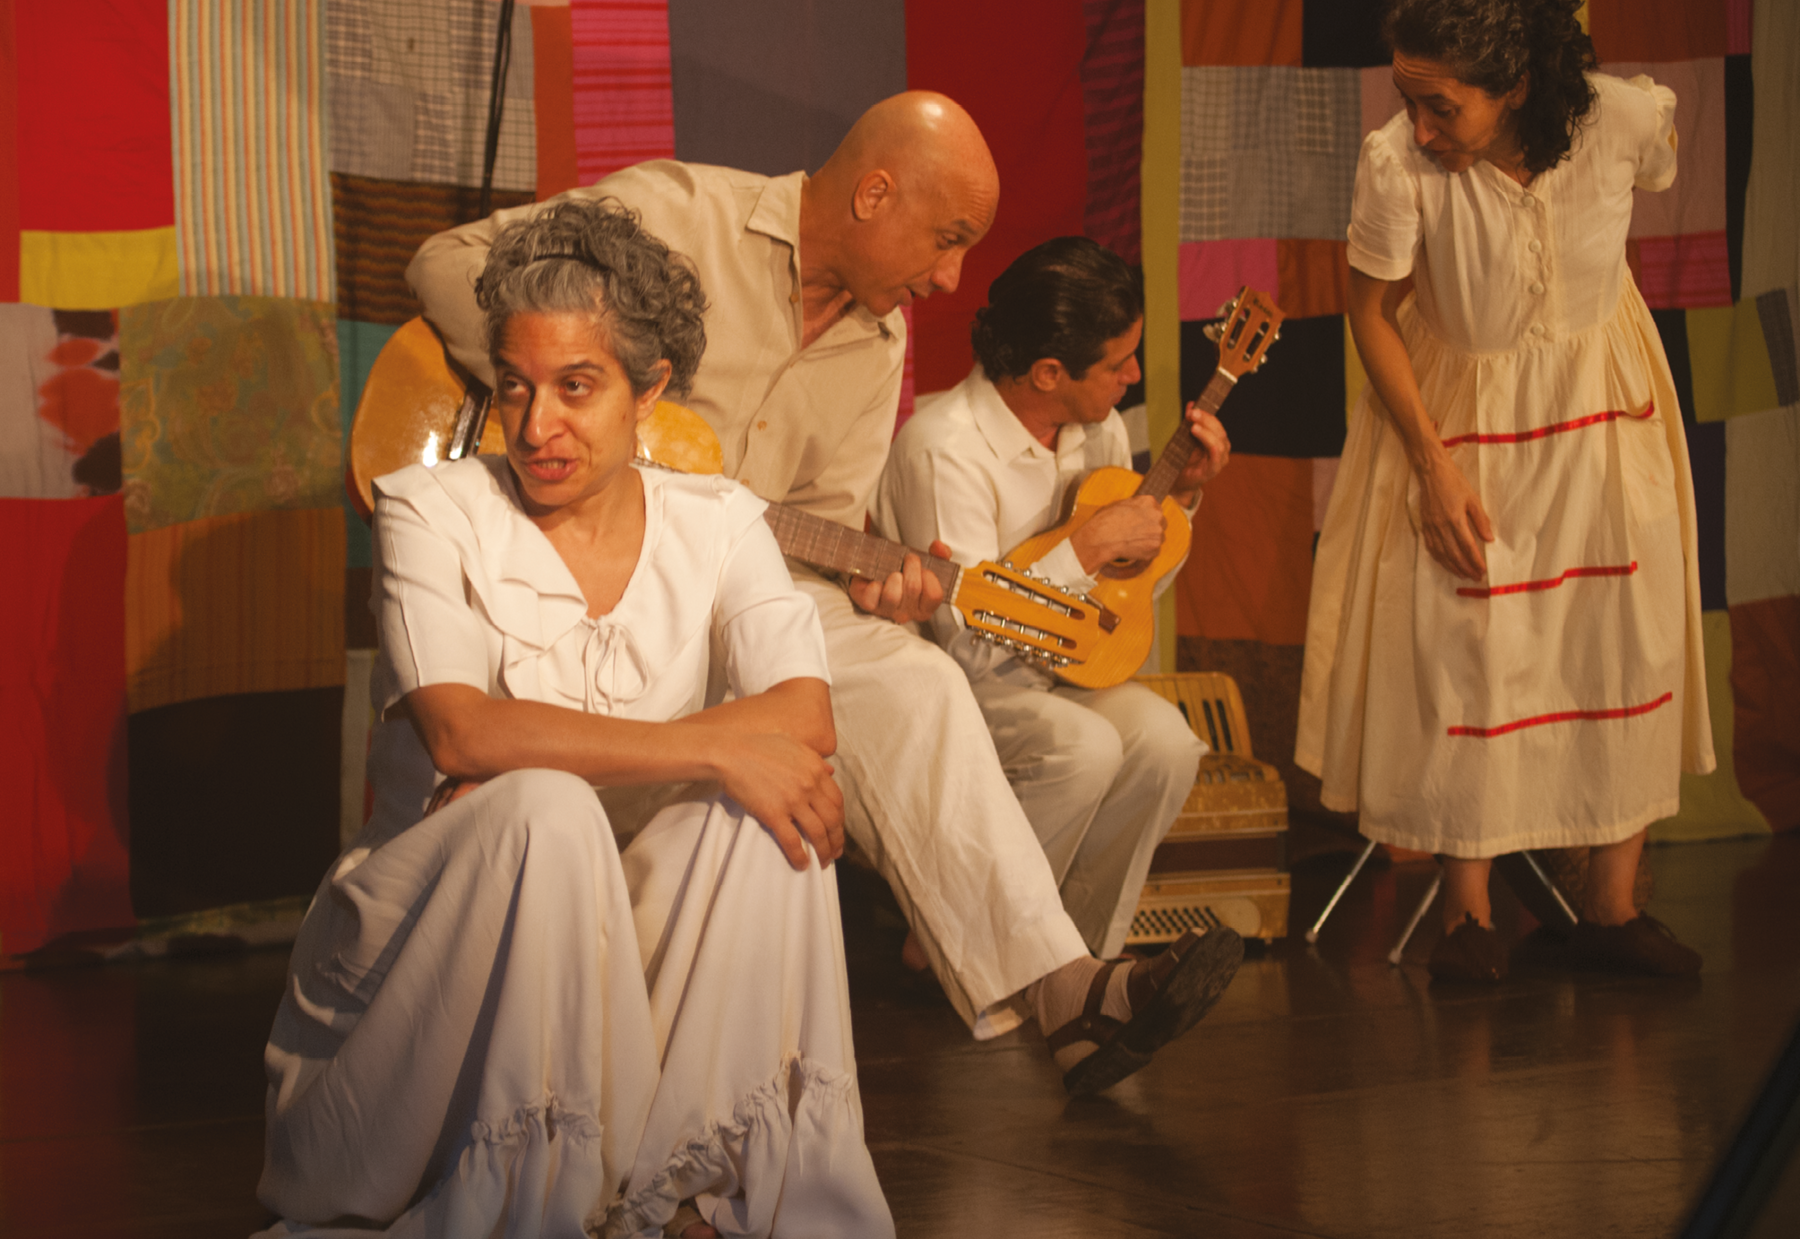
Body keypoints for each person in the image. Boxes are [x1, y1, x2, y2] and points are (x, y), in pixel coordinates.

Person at [408, 92, 1243, 1096]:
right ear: (874, 193)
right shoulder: (680, 214)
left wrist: (885, 580)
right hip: (580, 571)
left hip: (739, 598)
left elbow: (812, 529)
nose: (949, 279)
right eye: (945, 241)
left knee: (916, 677)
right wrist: (589, 410)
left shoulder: (879, 345)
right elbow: (443, 264)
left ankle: (1067, 993)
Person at [256, 200, 893, 1239]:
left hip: (626, 937)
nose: (536, 422)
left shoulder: (719, 518)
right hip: (424, 973)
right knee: (543, 816)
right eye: (515, 384)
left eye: (576, 387)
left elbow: (805, 715)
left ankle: (688, 1187)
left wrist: (589, 753)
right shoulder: (431, 510)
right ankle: (532, 1199)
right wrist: (710, 746)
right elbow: (464, 734)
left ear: (649, 391)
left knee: (767, 816)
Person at [1296, 0, 1712, 983]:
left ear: (1518, 84)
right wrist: (1432, 465)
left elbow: (1642, 178)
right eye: (1411, 98)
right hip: (1468, 415)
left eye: (1447, 106)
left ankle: (1612, 909)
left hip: (1603, 412)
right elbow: (1371, 314)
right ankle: (1467, 916)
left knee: (1617, 638)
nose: (1423, 126)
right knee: (1472, 652)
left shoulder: (1617, 121)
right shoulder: (1400, 163)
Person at [872, 237, 1231, 958]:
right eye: (1116, 363)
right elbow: (968, 645)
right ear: (1046, 373)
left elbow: (1120, 596)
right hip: (960, 684)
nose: (1133, 375)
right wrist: (1086, 547)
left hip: (1064, 669)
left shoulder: (1096, 430)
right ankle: (962, 942)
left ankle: (1081, 955)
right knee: (1084, 747)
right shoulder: (943, 448)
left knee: (1167, 743)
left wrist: (1180, 501)